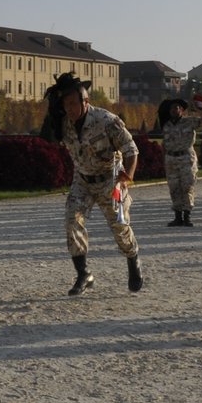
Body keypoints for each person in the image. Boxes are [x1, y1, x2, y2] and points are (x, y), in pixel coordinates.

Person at [51, 72, 141, 295]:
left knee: (120, 228)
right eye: (66, 104)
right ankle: (84, 274)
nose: (70, 108)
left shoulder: (106, 121)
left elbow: (131, 149)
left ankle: (133, 259)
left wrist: (126, 175)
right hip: (82, 180)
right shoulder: (63, 124)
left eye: (74, 103)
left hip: (111, 180)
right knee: (72, 219)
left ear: (85, 101)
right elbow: (50, 135)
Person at [159, 97, 202, 227]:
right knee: (174, 188)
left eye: (177, 108)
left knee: (187, 187)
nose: (174, 110)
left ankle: (187, 216)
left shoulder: (189, 121)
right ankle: (177, 217)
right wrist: (164, 158)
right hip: (171, 159)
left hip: (186, 158)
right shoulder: (166, 125)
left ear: (182, 110)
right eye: (172, 108)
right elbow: (165, 143)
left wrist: (199, 111)